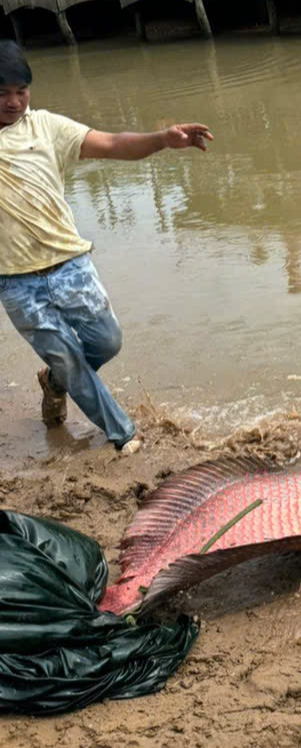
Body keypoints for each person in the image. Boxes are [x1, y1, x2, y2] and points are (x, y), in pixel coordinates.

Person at [0, 40, 212, 455]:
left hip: (69, 264)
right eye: (1, 93)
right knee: (67, 356)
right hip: (15, 281)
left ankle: (56, 383)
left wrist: (163, 140)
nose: (13, 101)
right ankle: (124, 435)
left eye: (20, 91)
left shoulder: (46, 127)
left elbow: (113, 144)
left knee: (107, 341)